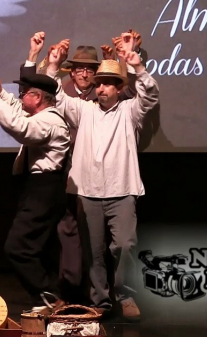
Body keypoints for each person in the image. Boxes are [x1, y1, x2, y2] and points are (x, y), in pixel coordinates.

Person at [49, 34, 159, 320]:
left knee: (124, 245)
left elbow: (149, 95)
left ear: (118, 87)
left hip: (121, 190)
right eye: (98, 84)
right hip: (88, 192)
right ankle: (101, 301)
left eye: (108, 83)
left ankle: (124, 295)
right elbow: (57, 96)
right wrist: (52, 66)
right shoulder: (83, 110)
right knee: (94, 252)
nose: (101, 88)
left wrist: (139, 67)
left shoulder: (129, 110)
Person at [0, 71, 70, 314]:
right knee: (34, 247)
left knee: (17, 247)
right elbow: (19, 111)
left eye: (25, 93)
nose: (20, 98)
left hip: (45, 188)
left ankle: (51, 297)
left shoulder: (50, 120)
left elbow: (20, 127)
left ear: (38, 97)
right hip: (37, 187)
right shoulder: (41, 115)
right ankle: (47, 300)